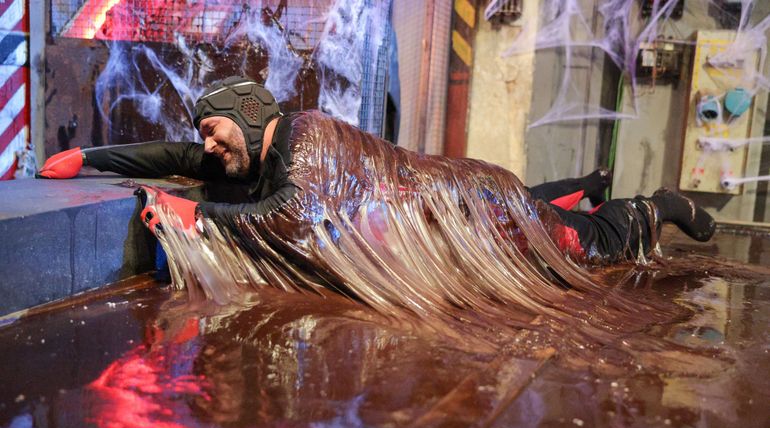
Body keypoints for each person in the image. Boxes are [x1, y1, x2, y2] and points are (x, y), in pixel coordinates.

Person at [37, 76, 715, 268]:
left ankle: (657, 205)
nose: (207, 148)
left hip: (478, 209)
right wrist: (88, 158)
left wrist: (195, 216)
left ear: (249, 111)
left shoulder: (305, 136)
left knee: (585, 247)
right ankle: (590, 188)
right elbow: (172, 156)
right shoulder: (254, 157)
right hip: (457, 213)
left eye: (212, 130)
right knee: (547, 213)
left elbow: (291, 222)